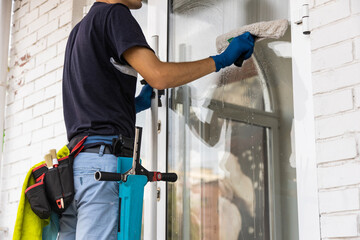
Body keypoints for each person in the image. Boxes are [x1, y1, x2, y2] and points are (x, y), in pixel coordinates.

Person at [60, 0, 255, 239]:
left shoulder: (79, 31)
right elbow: (159, 76)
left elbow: (94, 107)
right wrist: (221, 60)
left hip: (77, 170)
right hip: (102, 168)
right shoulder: (114, 14)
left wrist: (135, 105)